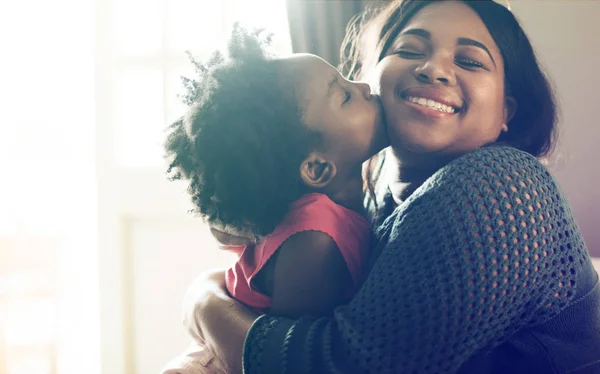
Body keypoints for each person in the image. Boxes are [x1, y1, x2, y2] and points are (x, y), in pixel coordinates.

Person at [179, 1, 600, 373]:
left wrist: (204, 304)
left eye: (470, 61)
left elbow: (343, 366)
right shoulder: (374, 198)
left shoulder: (499, 185)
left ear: (506, 111)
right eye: (410, 50)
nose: (434, 68)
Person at [160, 25, 388, 373]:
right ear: (316, 167)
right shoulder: (315, 237)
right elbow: (285, 358)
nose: (364, 87)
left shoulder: (324, 211)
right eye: (344, 96)